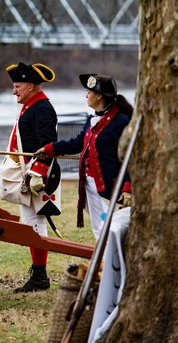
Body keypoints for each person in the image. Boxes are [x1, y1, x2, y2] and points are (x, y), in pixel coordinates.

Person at [35, 74, 133, 240]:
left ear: (99, 96)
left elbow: (131, 156)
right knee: (99, 228)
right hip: (89, 184)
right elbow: (78, 142)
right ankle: (102, 261)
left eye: (89, 92)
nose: (86, 95)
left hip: (111, 188)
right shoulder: (93, 119)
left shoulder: (121, 121)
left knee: (113, 228)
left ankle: (112, 262)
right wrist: (50, 149)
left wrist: (128, 187)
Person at [4, 62, 62, 293]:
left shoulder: (42, 108)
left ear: (30, 85)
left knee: (35, 224)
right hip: (29, 173)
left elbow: (48, 144)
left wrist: (37, 172)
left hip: (38, 175)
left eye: (17, 86)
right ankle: (39, 275)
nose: (14, 90)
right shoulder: (32, 105)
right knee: (32, 223)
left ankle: (40, 277)